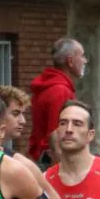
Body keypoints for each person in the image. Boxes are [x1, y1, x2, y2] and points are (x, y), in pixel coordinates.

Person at [28, 37, 87, 165]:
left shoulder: (50, 87)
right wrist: (63, 167)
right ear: (70, 61)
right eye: (82, 56)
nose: (85, 61)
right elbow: (56, 133)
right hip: (52, 161)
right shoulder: (60, 91)